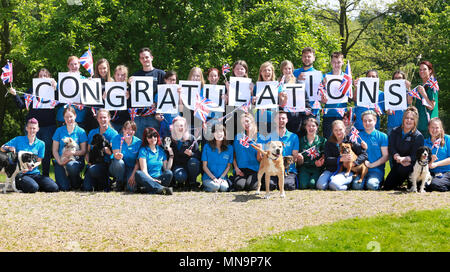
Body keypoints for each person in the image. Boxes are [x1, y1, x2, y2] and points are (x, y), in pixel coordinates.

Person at [8, 68, 57, 177]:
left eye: (45, 75)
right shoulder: (32, 90)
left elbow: (61, 102)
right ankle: (27, 175)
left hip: (48, 126)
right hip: (32, 127)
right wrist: (15, 95)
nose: (43, 77)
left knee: (46, 152)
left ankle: (45, 176)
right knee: (28, 151)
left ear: (49, 77)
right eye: (41, 75)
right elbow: (21, 105)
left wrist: (56, 88)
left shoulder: (54, 91)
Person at [1, 118, 58, 193]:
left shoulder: (41, 144)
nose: (32, 130)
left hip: (34, 173)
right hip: (20, 174)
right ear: (26, 128)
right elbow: (2, 148)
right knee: (33, 188)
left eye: (34, 128)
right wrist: (9, 147)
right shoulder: (18, 139)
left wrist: (30, 167)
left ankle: (33, 184)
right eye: (30, 128)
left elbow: (39, 161)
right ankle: (23, 184)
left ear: (38, 129)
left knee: (54, 187)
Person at [316, 120, 367, 191]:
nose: (338, 132)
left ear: (344, 129)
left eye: (340, 129)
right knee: (320, 186)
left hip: (346, 170)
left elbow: (364, 154)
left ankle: (345, 185)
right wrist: (340, 159)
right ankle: (336, 182)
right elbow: (327, 160)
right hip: (331, 169)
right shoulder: (329, 142)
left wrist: (355, 162)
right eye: (335, 130)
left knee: (334, 185)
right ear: (332, 131)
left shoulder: (350, 141)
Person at [383, 106, 424, 190]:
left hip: (411, 165)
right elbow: (391, 147)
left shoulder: (418, 136)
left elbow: (416, 155)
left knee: (404, 168)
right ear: (403, 119)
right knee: (387, 186)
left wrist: (405, 159)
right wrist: (397, 156)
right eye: (407, 118)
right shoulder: (395, 131)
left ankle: (411, 183)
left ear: (415, 121)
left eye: (412, 119)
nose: (409, 120)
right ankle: (398, 184)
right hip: (398, 163)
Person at [129, 47, 166, 139]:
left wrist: (157, 103)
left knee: (155, 143)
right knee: (139, 142)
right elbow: (130, 96)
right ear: (140, 60)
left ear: (152, 57)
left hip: (154, 116)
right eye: (142, 58)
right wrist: (129, 84)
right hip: (139, 117)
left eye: (146, 57)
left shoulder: (161, 74)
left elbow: (166, 94)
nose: (145, 59)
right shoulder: (136, 76)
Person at [257, 111, 299, 191]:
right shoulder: (268, 137)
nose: (281, 120)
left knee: (288, 186)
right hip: (271, 169)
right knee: (270, 186)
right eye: (278, 118)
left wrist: (295, 157)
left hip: (287, 170)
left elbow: (294, 157)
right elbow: (264, 157)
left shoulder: (294, 137)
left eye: (283, 118)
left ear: (287, 120)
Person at [52, 106, 88, 191]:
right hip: (61, 160)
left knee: (71, 166)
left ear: (75, 116)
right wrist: (59, 161)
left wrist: (72, 153)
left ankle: (76, 181)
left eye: (71, 116)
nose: (69, 119)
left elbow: (83, 151)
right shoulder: (59, 130)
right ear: (63, 118)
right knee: (64, 188)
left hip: (75, 161)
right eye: (66, 117)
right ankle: (67, 181)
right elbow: (54, 150)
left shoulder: (81, 131)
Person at [83, 109, 118, 191]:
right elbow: (87, 151)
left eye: (105, 117)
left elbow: (112, 153)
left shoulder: (113, 134)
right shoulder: (92, 132)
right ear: (97, 119)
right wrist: (88, 162)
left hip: (107, 163)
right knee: (87, 188)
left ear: (109, 118)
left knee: (94, 170)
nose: (103, 120)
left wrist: (105, 149)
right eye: (100, 118)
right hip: (93, 162)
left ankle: (109, 181)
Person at [353, 110, 388, 190]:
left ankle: (379, 181)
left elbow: (386, 156)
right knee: (356, 186)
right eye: (365, 121)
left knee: (371, 185)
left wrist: (372, 165)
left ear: (375, 121)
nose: (367, 123)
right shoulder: (358, 136)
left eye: (370, 120)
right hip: (361, 169)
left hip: (376, 170)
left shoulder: (382, 136)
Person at [134, 127, 174, 195]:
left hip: (159, 179)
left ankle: (150, 189)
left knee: (169, 173)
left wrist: (171, 155)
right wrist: (151, 180)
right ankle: (160, 189)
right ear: (146, 139)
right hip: (147, 178)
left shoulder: (161, 150)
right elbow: (144, 171)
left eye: (155, 136)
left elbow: (167, 168)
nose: (153, 138)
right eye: (150, 137)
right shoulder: (143, 150)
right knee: (138, 173)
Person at [278, 60, 311, 139]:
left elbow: (306, 101)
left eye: (289, 69)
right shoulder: (278, 84)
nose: (287, 71)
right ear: (282, 70)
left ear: (292, 70)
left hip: (297, 119)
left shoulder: (299, 84)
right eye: (285, 69)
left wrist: (307, 109)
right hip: (282, 119)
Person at [55, 56, 89, 130]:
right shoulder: (62, 79)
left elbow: (89, 98)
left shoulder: (85, 80)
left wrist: (81, 102)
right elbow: (57, 97)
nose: (73, 66)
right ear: (68, 66)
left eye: (75, 64)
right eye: (71, 64)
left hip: (79, 117)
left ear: (79, 65)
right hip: (63, 117)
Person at [169, 116, 201, 191]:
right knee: (180, 176)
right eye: (176, 125)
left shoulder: (191, 138)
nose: (179, 127)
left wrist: (191, 154)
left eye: (181, 125)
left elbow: (198, 155)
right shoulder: (170, 139)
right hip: (177, 166)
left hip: (190, 166)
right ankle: (179, 182)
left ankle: (192, 182)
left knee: (194, 161)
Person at [109, 120, 142, 192]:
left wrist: (133, 175)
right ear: (123, 129)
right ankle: (119, 182)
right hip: (117, 167)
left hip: (131, 168)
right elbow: (115, 155)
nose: (130, 131)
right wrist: (118, 155)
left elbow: (138, 162)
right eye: (128, 129)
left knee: (131, 188)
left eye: (132, 129)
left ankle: (126, 182)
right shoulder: (117, 138)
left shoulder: (138, 142)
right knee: (119, 162)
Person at [322, 52, 348, 139]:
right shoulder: (325, 77)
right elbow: (320, 99)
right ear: (331, 63)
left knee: (342, 142)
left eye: (339, 62)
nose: (336, 64)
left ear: (343, 62)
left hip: (342, 114)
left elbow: (351, 97)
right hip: (328, 114)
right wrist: (323, 96)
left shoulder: (347, 77)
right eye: (334, 62)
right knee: (329, 141)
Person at [201, 124, 233, 192]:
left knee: (224, 188)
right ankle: (205, 187)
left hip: (222, 178)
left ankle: (215, 186)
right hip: (208, 178)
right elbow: (204, 166)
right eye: (216, 131)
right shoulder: (207, 147)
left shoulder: (229, 148)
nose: (219, 134)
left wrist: (221, 178)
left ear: (224, 134)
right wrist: (214, 178)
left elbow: (228, 166)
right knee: (216, 187)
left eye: (221, 131)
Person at [232, 112, 260, 191]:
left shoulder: (260, 138)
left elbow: (260, 160)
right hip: (241, 170)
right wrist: (236, 168)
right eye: (243, 123)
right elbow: (233, 155)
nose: (246, 124)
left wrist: (259, 151)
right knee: (239, 186)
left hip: (254, 170)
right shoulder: (238, 137)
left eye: (247, 121)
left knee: (251, 186)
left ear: (252, 121)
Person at [85, 58, 114, 132]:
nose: (102, 70)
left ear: (108, 68)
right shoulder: (92, 80)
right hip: (93, 115)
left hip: (106, 116)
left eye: (104, 68)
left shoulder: (112, 82)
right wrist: (87, 84)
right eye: (100, 68)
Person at [297, 117, 326, 189]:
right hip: (304, 167)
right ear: (305, 127)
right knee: (303, 185)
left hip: (317, 168)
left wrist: (321, 161)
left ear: (317, 127)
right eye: (308, 126)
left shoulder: (322, 140)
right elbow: (298, 162)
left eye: (313, 126)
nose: (311, 128)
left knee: (312, 184)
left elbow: (325, 155)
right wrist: (300, 159)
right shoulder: (301, 140)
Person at [424, 117, 450, 192]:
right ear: (428, 128)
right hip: (431, 173)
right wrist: (430, 162)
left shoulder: (447, 139)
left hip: (447, 172)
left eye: (437, 128)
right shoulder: (425, 142)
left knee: (435, 185)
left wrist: (436, 164)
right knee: (424, 185)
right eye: (432, 127)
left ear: (441, 129)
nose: (434, 130)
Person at [414, 60, 439, 138]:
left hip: (429, 127)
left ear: (430, 71)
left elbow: (431, 106)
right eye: (420, 69)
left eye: (424, 69)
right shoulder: (420, 86)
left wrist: (424, 95)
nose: (422, 71)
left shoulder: (432, 85)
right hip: (419, 125)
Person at [387, 70, 412, 136]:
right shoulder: (388, 91)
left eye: (400, 78)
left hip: (405, 125)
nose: (398, 79)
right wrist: (387, 111)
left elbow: (410, 101)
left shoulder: (407, 91)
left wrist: (409, 87)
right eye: (396, 78)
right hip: (392, 125)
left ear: (404, 79)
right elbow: (385, 109)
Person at [159, 70, 182, 139]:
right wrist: (158, 116)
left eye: (174, 80)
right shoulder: (160, 93)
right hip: (164, 123)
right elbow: (157, 111)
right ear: (165, 80)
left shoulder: (179, 92)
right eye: (170, 79)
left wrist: (180, 95)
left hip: (176, 122)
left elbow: (181, 109)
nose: (172, 82)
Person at [110, 65, 131, 133]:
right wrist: (104, 98)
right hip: (112, 122)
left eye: (122, 75)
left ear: (126, 76)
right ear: (114, 75)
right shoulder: (109, 88)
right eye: (118, 74)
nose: (120, 77)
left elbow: (133, 108)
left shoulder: (129, 89)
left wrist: (128, 99)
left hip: (125, 123)